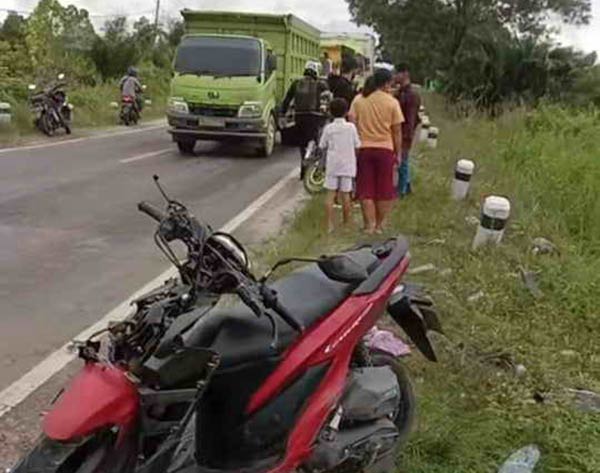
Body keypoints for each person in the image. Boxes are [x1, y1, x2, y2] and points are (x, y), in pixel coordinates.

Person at [349, 69, 404, 234]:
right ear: (387, 83)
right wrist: (398, 153)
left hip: (364, 149)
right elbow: (397, 131)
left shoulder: (359, 100)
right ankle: (379, 225)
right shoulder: (392, 102)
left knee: (366, 189)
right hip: (385, 150)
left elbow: (352, 121)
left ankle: (369, 225)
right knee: (384, 190)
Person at [282, 61, 329, 179]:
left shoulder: (296, 83)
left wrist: (282, 113)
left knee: (302, 144)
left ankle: (303, 168)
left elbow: (287, 99)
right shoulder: (321, 84)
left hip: (299, 116)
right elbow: (327, 100)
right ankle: (315, 169)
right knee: (316, 141)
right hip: (315, 117)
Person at [319, 98, 361, 232]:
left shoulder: (328, 128)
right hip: (347, 165)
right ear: (346, 112)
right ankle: (346, 223)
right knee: (346, 194)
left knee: (330, 195)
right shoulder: (351, 127)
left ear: (330, 112)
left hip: (332, 165)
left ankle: (328, 225)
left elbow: (322, 145)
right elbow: (357, 145)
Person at [394, 63, 421, 197]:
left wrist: (407, 135)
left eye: (397, 73)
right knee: (402, 160)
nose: (394, 76)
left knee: (402, 161)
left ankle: (402, 190)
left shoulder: (411, 95)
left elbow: (411, 117)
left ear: (404, 74)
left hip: (405, 132)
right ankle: (407, 185)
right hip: (400, 130)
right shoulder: (400, 92)